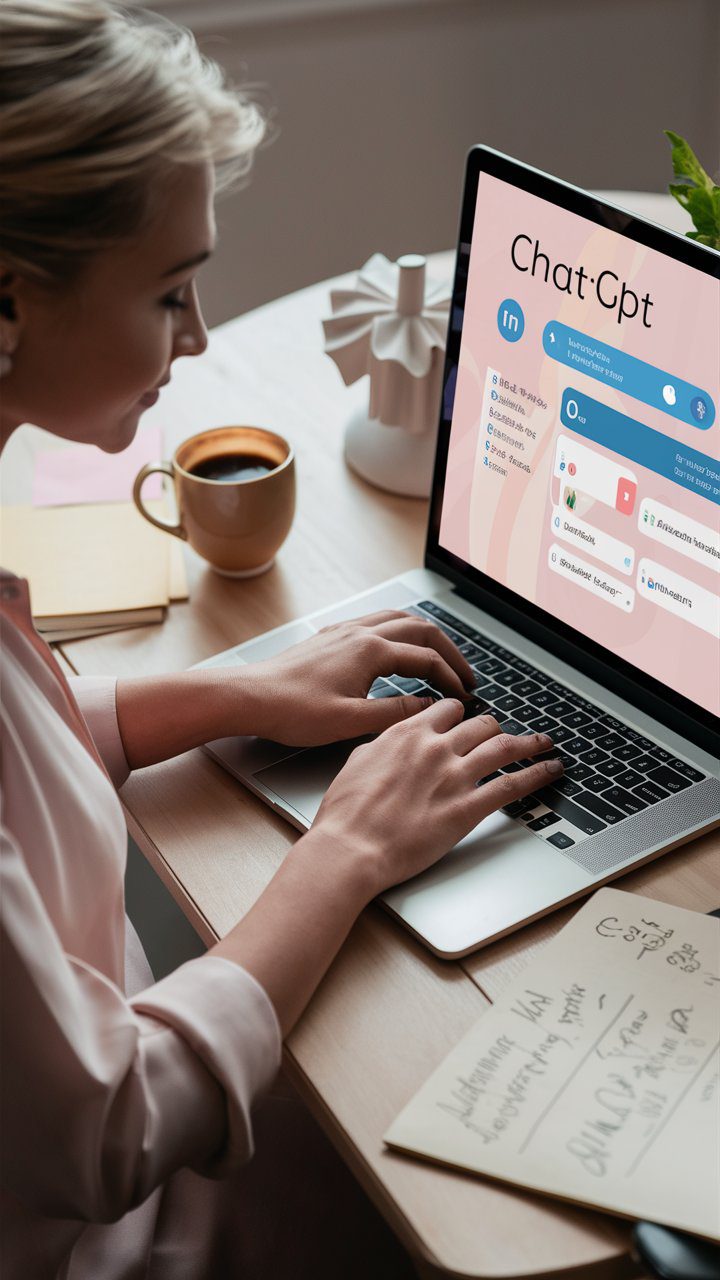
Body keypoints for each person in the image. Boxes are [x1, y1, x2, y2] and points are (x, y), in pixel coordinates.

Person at [0, 3, 563, 1277]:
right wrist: (351, 847)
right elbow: (111, 1126)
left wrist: (219, 693)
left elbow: (17, 752)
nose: (195, 335)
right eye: (167, 290)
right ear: (11, 297)